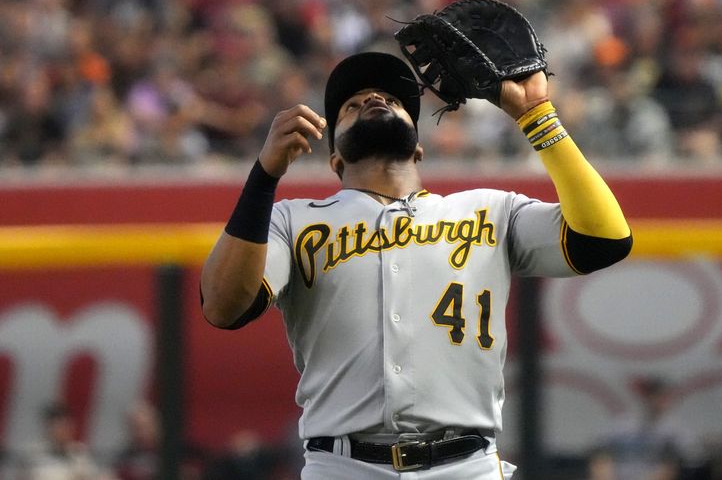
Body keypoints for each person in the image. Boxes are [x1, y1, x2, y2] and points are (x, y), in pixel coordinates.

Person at [200, 50, 633, 479]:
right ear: (335, 160)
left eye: (392, 100)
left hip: (469, 466)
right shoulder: (293, 219)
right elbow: (222, 306)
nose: (373, 99)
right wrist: (264, 175)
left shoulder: (490, 210)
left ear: (419, 147)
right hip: (342, 466)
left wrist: (537, 115)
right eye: (352, 105)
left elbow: (604, 240)